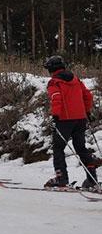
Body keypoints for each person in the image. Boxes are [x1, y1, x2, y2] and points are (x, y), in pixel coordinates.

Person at [42, 56, 101, 189]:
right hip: (80, 119)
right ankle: (92, 180)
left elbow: (56, 98)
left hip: (64, 119)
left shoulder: (54, 82)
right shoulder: (75, 79)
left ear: (52, 69)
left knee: (58, 148)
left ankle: (61, 179)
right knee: (81, 148)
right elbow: (88, 96)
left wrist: (55, 115)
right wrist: (86, 111)